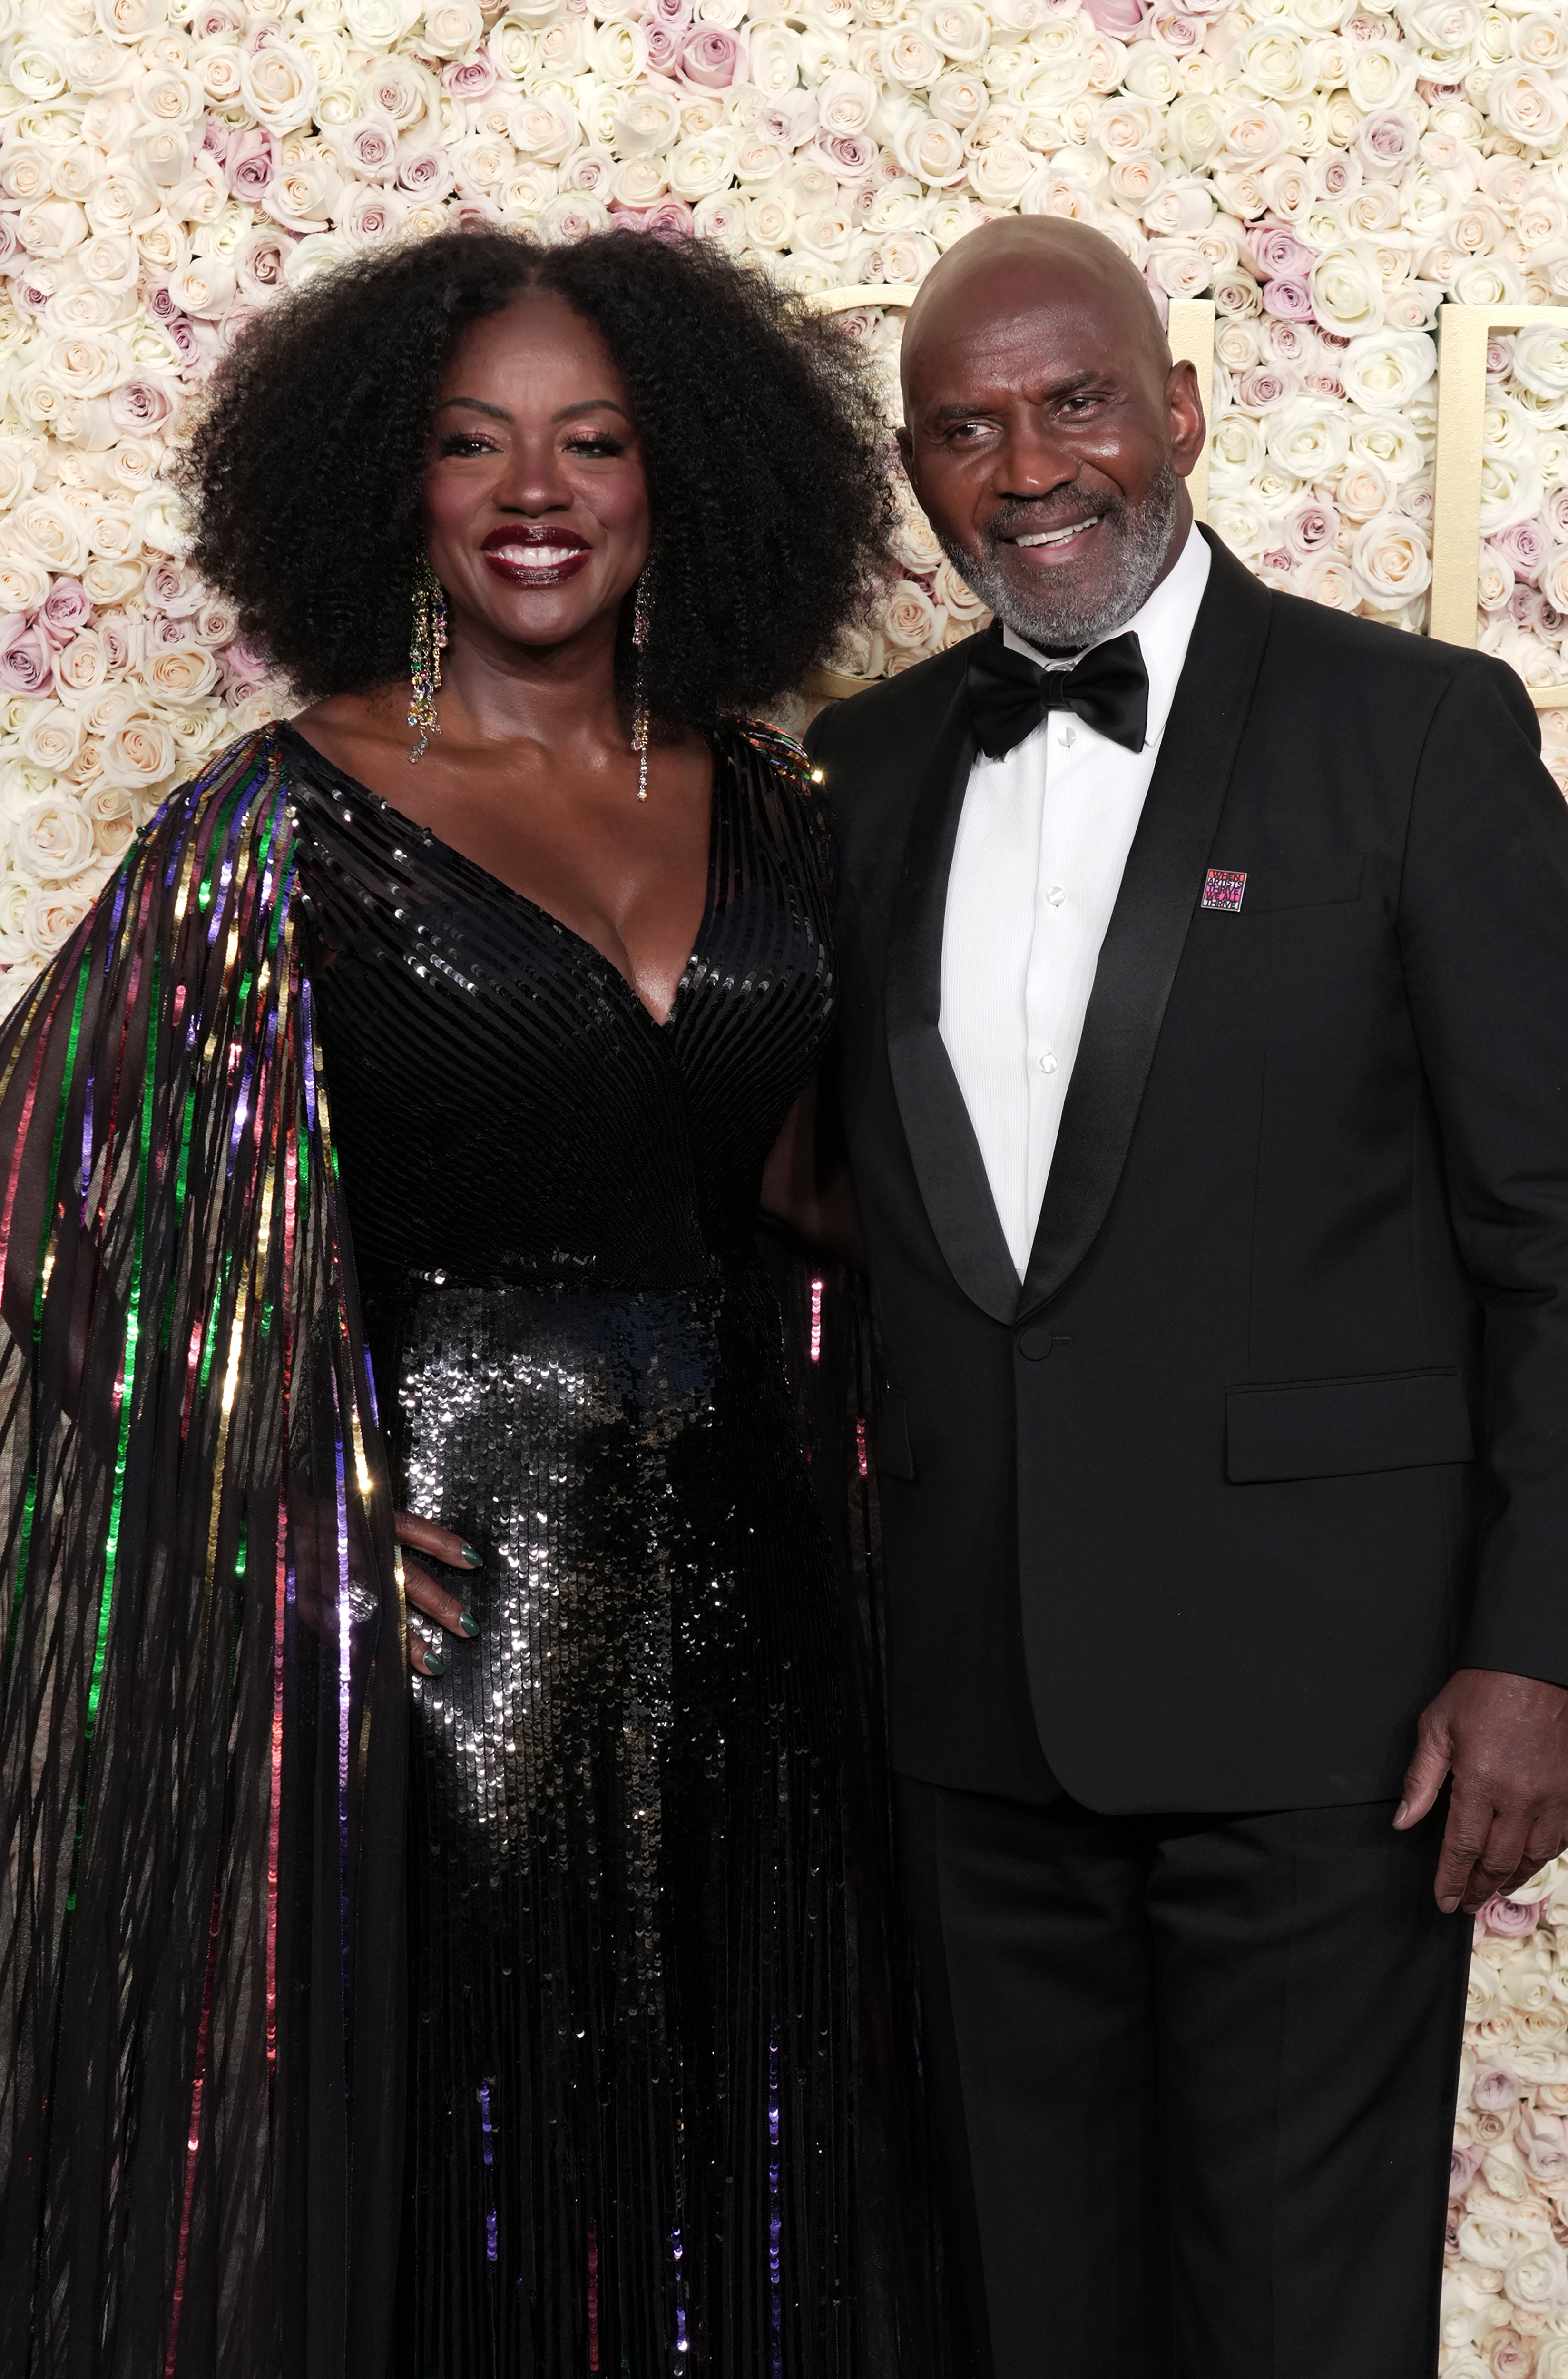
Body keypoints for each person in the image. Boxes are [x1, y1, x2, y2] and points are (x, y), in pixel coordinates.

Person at [0, 227, 938, 2379]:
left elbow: (810, 1184)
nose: (539, 487)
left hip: (760, 1594)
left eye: (595, 440)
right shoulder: (279, 822)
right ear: (387, 488)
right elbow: (44, 1202)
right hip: (445, 1613)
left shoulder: (779, 805)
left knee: (748, 2121)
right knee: (469, 2155)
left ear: (677, 474)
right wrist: (265, 1487)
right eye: (471, 442)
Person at [805, 214, 1568, 2376]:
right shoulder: (861, 780)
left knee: (1291, 2323)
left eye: (1075, 401)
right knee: (1020, 2316)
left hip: (1329, 1722)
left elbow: (1561, 1220)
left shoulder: (1416, 731)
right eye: (966, 427)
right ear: (916, 469)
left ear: (1183, 411)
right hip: (976, 1712)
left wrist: (1544, 1643)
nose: (1031, 462)